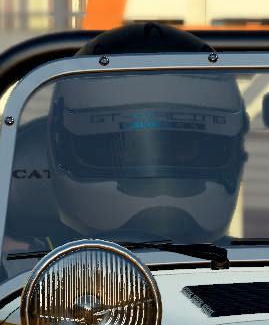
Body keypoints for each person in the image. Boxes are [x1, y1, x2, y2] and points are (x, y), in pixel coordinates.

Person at [47, 72, 250, 244]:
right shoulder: (36, 270)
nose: (161, 188)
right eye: (131, 147)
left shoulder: (247, 266)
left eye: (181, 145)